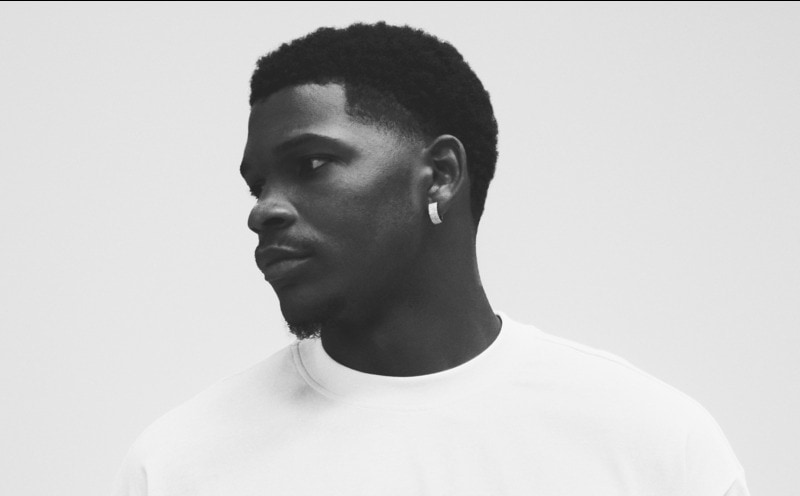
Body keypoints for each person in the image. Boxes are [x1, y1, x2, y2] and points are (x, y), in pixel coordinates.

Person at [112, 22, 749, 495]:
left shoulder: (653, 447)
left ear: (440, 175)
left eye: (311, 165)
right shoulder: (177, 466)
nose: (264, 210)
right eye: (257, 186)